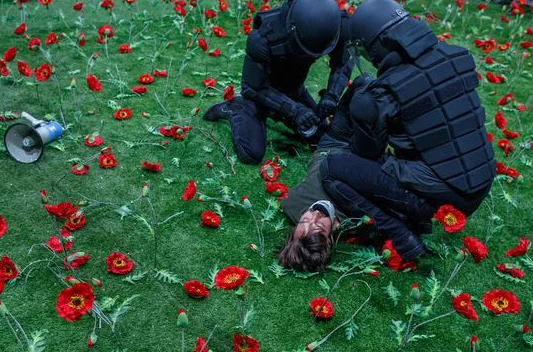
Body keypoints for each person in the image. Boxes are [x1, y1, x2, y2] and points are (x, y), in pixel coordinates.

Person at [279, 0, 495, 271]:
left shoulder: (383, 94)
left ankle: (401, 235)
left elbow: (368, 154)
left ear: (380, 43)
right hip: (480, 180)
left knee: (334, 170)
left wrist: (362, 113)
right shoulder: (453, 56)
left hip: (443, 200)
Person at [203, 0, 353, 165]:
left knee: (323, 138)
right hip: (261, 93)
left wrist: (331, 96)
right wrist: (295, 111)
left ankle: (291, 112)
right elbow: (253, 87)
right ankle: (236, 107)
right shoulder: (264, 36)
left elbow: (343, 63)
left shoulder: (336, 26)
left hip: (293, 89)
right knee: (250, 152)